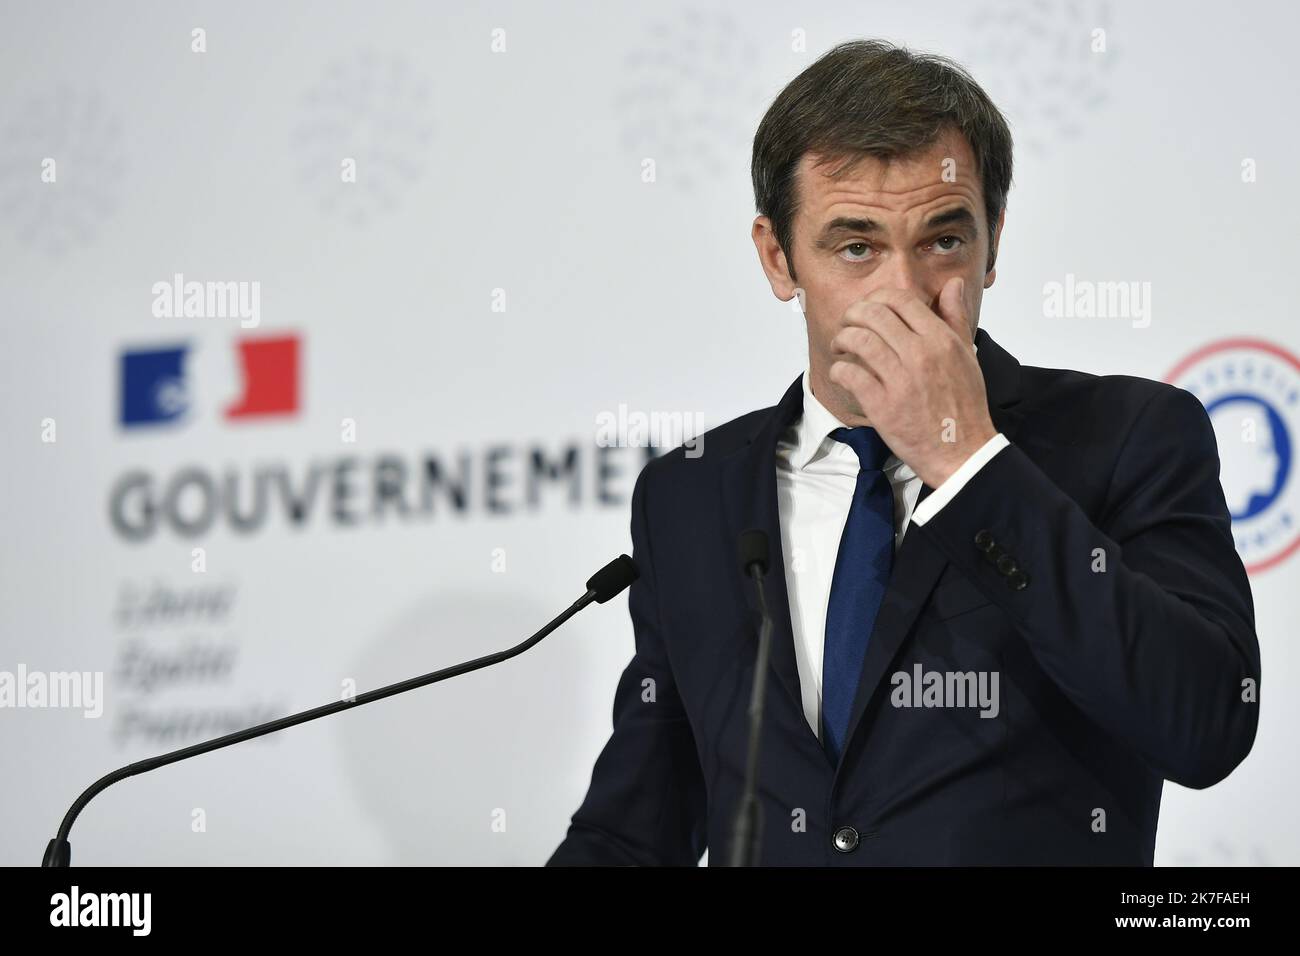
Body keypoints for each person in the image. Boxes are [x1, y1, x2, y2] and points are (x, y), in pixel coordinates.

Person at [548, 39, 1259, 866]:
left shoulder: (1128, 434)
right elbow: (639, 824)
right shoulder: (690, 496)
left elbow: (1207, 723)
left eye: (943, 241)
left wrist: (967, 460)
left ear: (994, 238)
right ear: (779, 259)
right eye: (857, 247)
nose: (904, 292)